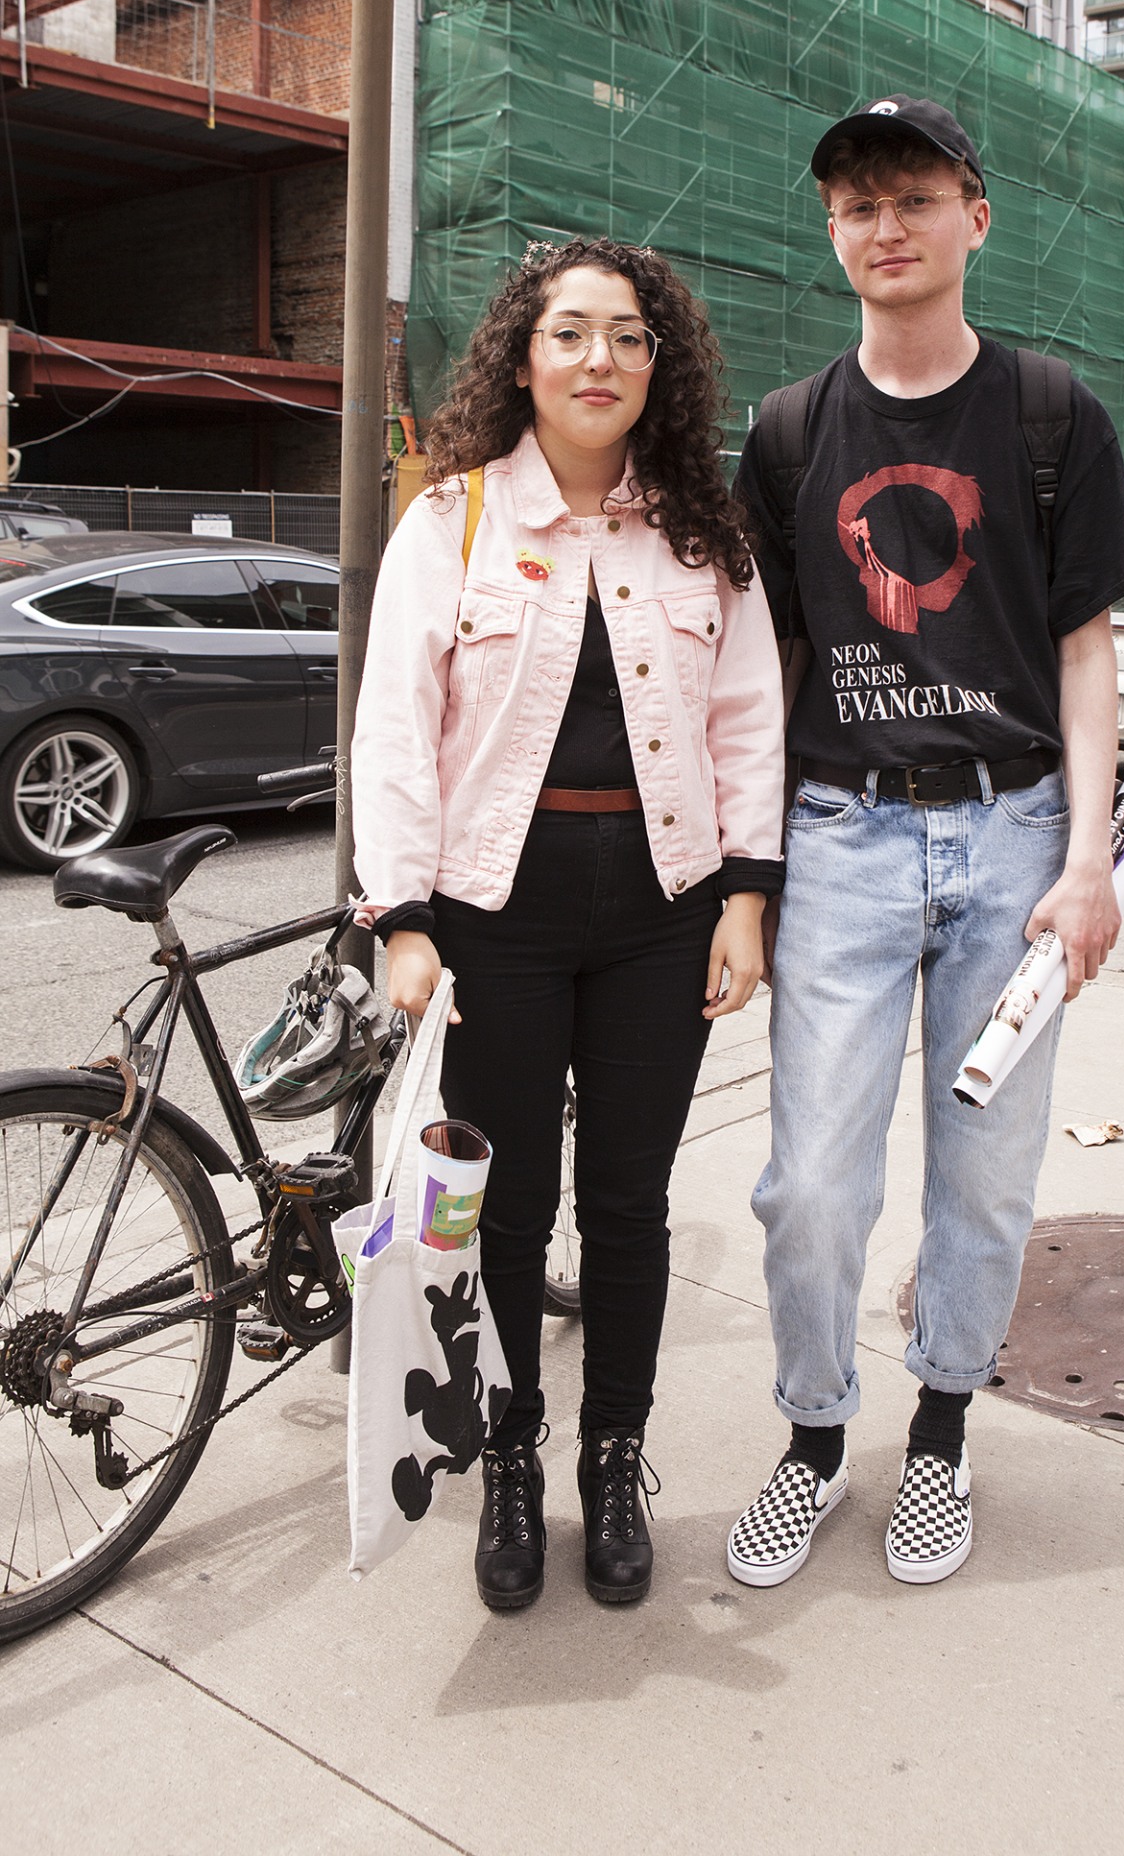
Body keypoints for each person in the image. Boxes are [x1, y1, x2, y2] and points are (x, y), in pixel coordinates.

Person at [725, 97, 1124, 1590]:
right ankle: (810, 1433)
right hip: (844, 837)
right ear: (834, 232)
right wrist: (753, 872)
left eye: (913, 196)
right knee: (810, 1186)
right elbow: (764, 666)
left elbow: (1087, 648)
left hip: (1018, 839)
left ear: (976, 217)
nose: (884, 225)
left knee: (982, 1179)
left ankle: (939, 1435)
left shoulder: (1050, 414)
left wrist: (1089, 862)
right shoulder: (789, 433)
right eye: (857, 203)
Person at [352, 236, 785, 1611]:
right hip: (500, 924)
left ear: (663, 367)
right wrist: (403, 919)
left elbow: (749, 721)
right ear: (524, 359)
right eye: (572, 335)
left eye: (630, 338)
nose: (602, 360)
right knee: (507, 1209)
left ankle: (615, 1459)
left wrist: (745, 897)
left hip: (663, 913)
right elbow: (394, 733)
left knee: (630, 1209)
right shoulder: (455, 521)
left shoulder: (706, 534)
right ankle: (517, 1464)